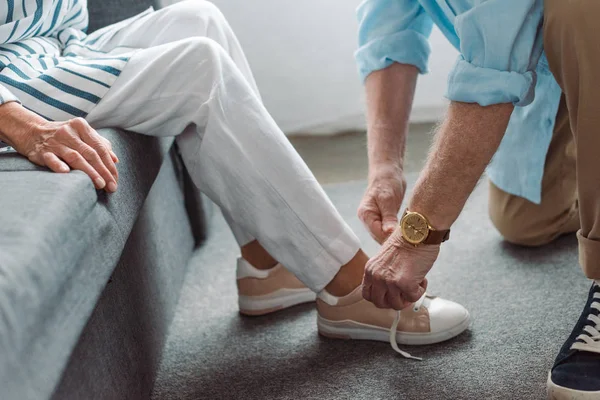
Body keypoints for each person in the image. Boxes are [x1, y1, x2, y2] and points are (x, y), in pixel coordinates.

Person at [0, 0, 470, 358]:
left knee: (198, 17)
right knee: (198, 69)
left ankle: (267, 265)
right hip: (12, 84)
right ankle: (348, 288)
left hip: (54, 47)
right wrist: (20, 124)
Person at [355, 0, 600, 396]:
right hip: (556, 67)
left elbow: (495, 62)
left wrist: (417, 234)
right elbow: (387, 31)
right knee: (525, 222)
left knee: (584, 9)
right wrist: (385, 168)